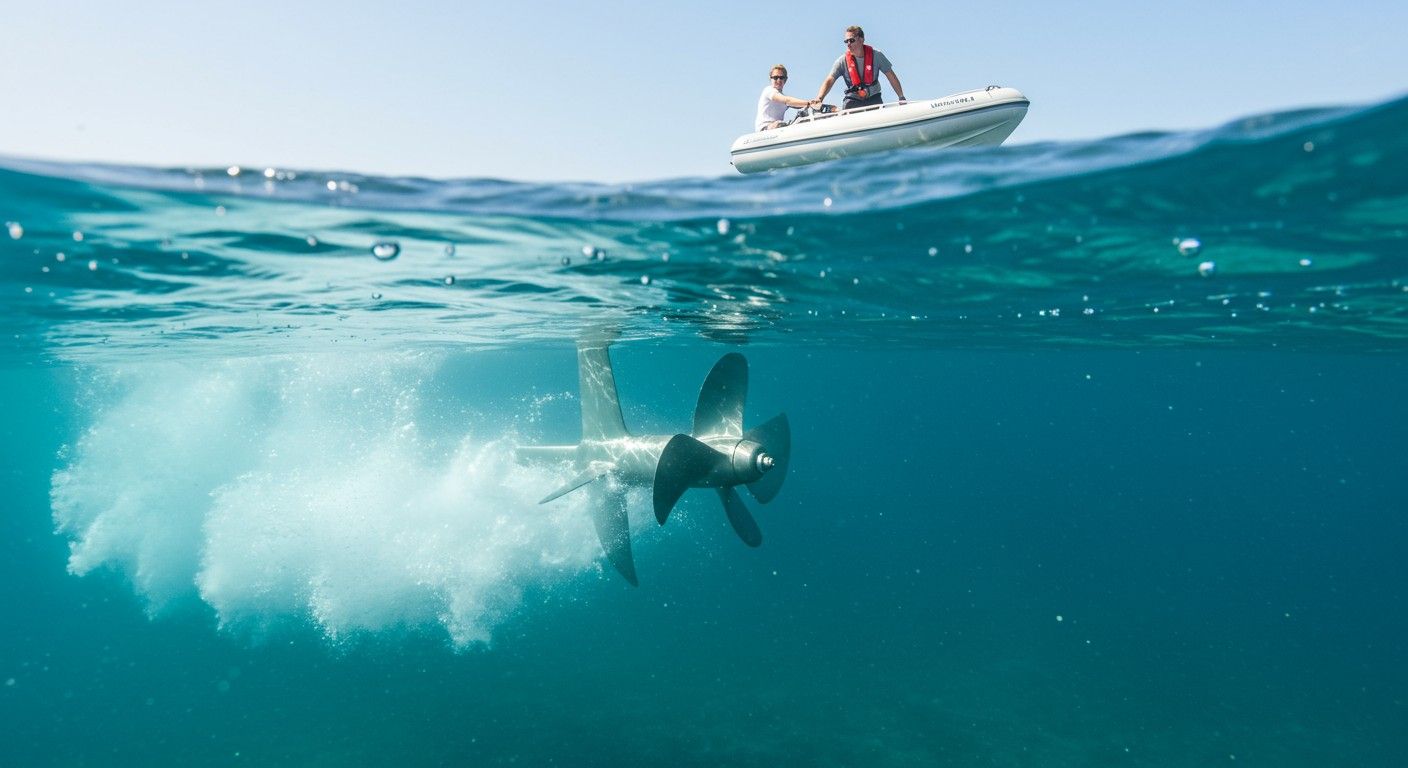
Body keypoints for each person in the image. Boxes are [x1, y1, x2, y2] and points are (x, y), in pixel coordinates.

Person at [815, 26, 907, 111]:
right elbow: (830, 80)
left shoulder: (877, 56)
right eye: (846, 41)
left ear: (861, 39)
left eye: (851, 40)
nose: (848, 44)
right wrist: (819, 99)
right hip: (853, 100)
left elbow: (891, 75)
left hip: (873, 98)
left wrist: (901, 97)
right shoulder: (842, 61)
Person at [755, 65, 820, 131]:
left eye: (781, 78)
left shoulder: (782, 96)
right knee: (781, 125)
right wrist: (808, 103)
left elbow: (797, 104)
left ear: (785, 80)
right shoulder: (769, 90)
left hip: (777, 128)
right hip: (764, 128)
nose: (778, 80)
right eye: (775, 77)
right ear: (770, 79)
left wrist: (814, 104)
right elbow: (787, 100)